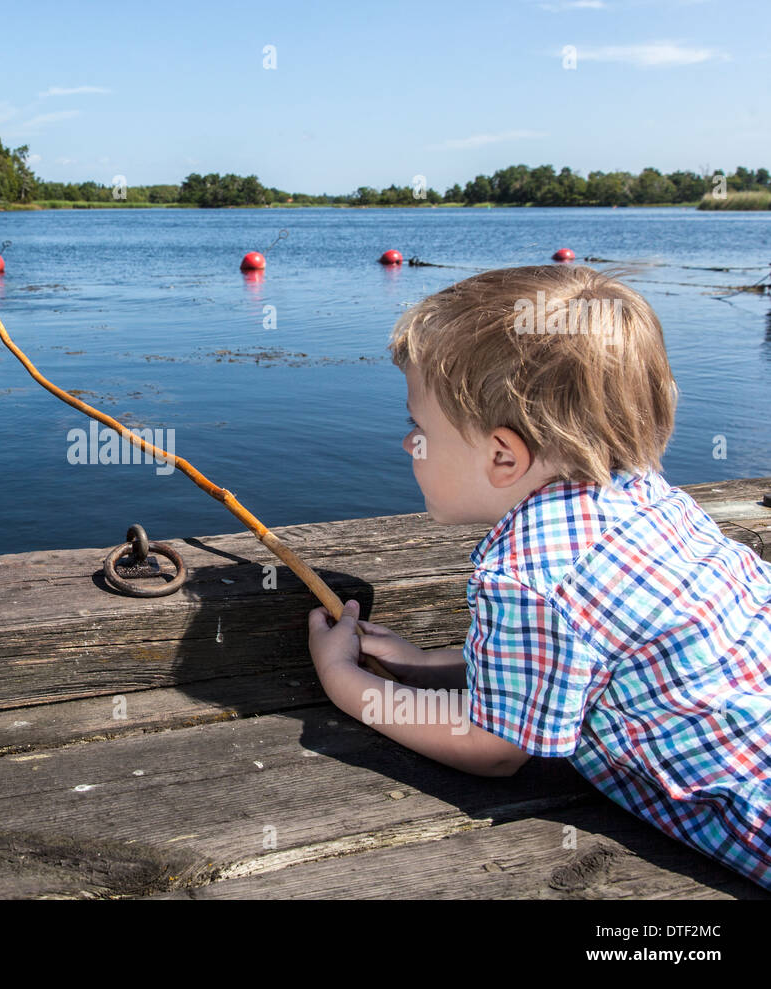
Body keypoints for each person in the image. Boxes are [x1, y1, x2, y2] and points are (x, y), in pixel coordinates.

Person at [306, 264, 771, 890]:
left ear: (504, 457)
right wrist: (426, 662)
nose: (408, 445)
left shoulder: (526, 573)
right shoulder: (650, 499)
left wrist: (345, 684)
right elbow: (590, 657)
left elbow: (494, 748)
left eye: (417, 429)